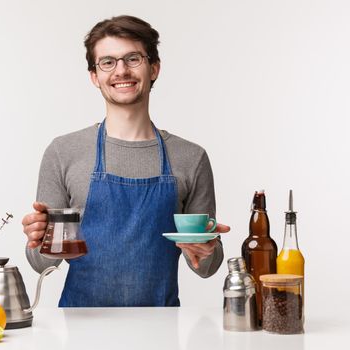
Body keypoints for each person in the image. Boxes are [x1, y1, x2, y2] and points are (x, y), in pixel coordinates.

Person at [21, 15, 230, 307]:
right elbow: (40, 264)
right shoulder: (63, 152)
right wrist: (39, 238)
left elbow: (208, 268)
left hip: (160, 329)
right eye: (107, 62)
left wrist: (206, 248)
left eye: (133, 59)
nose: (121, 70)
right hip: (81, 330)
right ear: (95, 76)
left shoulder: (191, 158)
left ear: (154, 68)